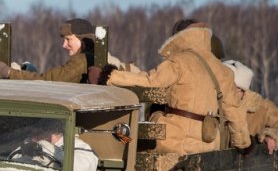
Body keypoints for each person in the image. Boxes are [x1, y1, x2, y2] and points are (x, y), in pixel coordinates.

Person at [106, 21, 250, 154]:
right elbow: (235, 110)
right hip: (208, 145)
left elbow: (151, 81)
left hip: (173, 141)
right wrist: (242, 143)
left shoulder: (179, 61)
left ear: (180, 37)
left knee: (122, 139)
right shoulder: (223, 70)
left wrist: (111, 76)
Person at [223, 60, 278, 155]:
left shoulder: (262, 108)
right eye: (228, 88)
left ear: (243, 90)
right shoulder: (207, 108)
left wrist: (271, 135)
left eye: (237, 89)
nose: (232, 93)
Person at [0, 18, 94, 83]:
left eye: (68, 39)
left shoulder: (81, 60)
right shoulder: (89, 58)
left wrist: (8, 72)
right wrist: (31, 72)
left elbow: (48, 81)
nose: (64, 45)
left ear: (83, 40)